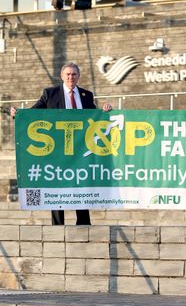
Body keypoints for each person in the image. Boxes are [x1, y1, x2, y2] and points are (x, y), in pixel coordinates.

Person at [11, 62, 112, 226]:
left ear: (78, 76)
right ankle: (57, 226)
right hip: (57, 151)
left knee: (80, 185)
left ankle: (84, 223)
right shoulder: (50, 94)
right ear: (62, 76)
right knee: (57, 186)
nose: (71, 77)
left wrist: (105, 111)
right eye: (68, 74)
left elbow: (95, 116)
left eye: (74, 74)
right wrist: (19, 114)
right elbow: (33, 112)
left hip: (79, 151)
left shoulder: (87, 95)